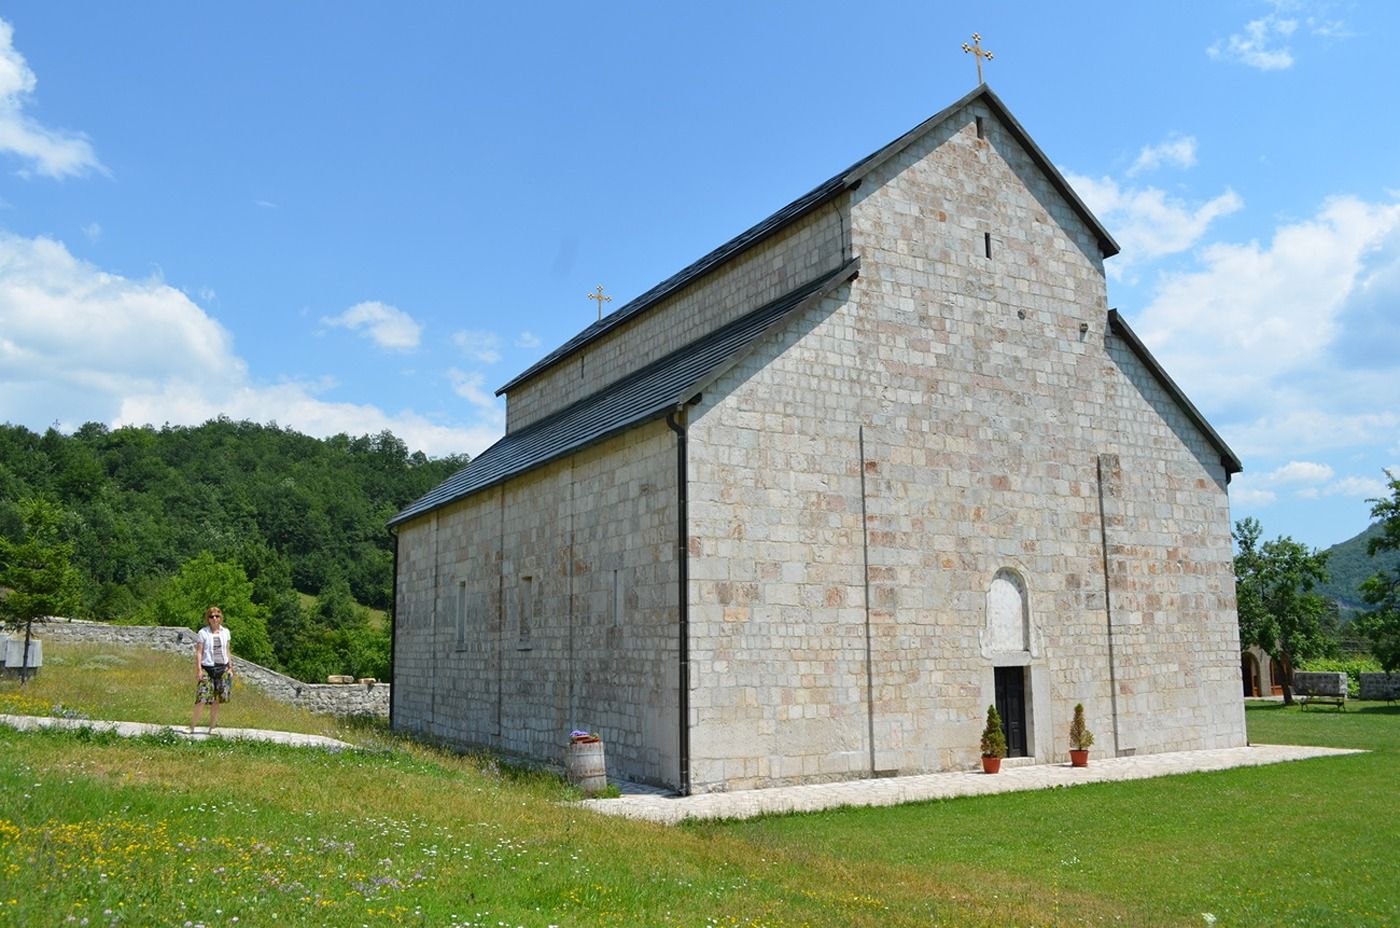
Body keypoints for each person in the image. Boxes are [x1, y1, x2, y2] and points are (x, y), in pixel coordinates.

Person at [191, 606, 234, 732]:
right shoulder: (203, 633)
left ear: (220, 618)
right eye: (211, 616)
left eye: (217, 616)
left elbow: (227, 650)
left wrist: (230, 667)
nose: (214, 618)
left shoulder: (225, 632)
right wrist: (198, 669)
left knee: (217, 700)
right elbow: (199, 652)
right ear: (208, 619)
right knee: (202, 698)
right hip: (207, 667)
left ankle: (212, 728)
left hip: (222, 668)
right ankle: (192, 726)